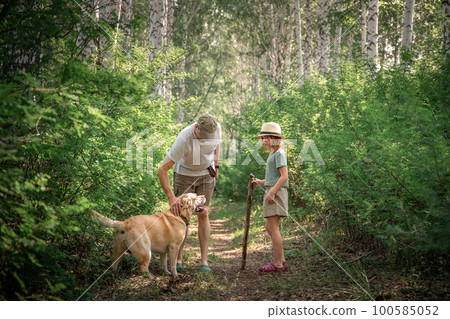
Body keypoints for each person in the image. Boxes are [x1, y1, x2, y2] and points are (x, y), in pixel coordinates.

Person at [157, 113, 221, 273]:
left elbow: (216, 146)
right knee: (180, 216)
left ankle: (204, 261)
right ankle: (177, 260)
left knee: (203, 214)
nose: (206, 140)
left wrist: (216, 165)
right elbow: (162, 169)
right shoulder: (183, 140)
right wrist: (172, 198)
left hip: (206, 174)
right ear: (196, 128)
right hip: (184, 175)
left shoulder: (216, 128)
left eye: (209, 137)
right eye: (203, 137)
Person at [252, 122, 289, 272]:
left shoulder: (279, 153)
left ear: (274, 138)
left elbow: (284, 176)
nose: (264, 141)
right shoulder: (273, 154)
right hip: (272, 190)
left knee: (273, 228)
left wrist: (272, 192)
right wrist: (261, 182)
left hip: (276, 193)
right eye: (263, 138)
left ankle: (278, 263)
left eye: (267, 137)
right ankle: (281, 260)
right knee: (270, 227)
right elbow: (274, 177)